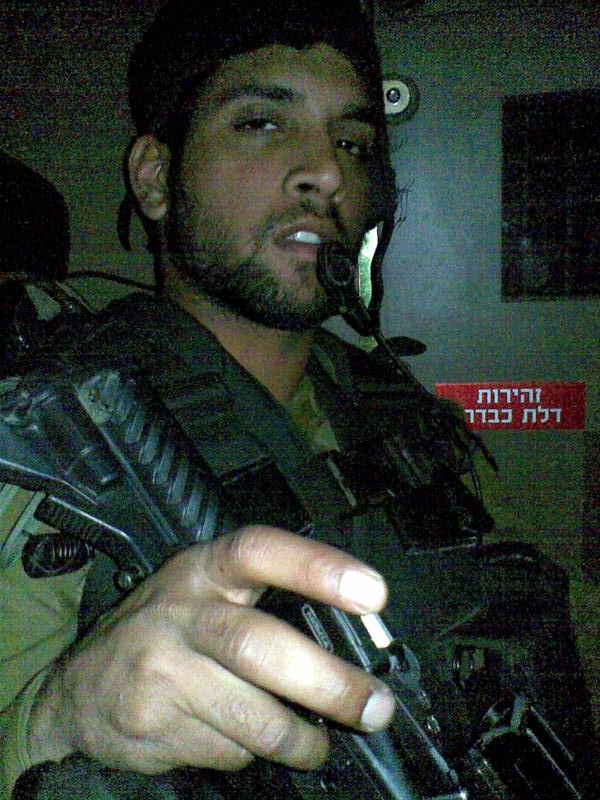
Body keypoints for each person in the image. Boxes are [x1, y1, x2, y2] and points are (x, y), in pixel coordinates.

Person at [0, 1, 596, 798]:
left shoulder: (403, 417)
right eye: (262, 123)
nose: (329, 172)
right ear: (155, 177)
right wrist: (53, 718)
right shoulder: (49, 434)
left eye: (352, 143)